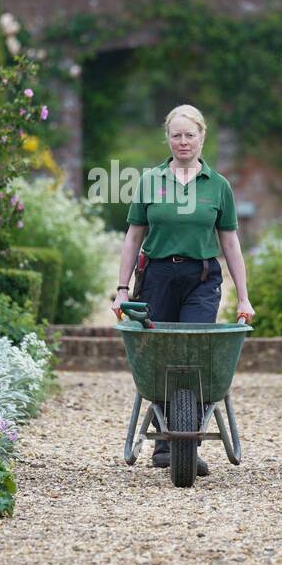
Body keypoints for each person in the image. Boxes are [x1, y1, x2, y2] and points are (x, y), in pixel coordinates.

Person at [112, 104, 255, 475]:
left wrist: (244, 296)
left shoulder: (218, 186)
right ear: (168, 138)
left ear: (201, 137)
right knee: (161, 358)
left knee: (193, 357)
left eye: (189, 134)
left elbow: (231, 244)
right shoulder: (149, 181)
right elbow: (133, 238)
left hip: (202, 279)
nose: (182, 141)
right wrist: (122, 288)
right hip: (156, 277)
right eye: (176, 135)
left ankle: (185, 440)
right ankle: (165, 446)